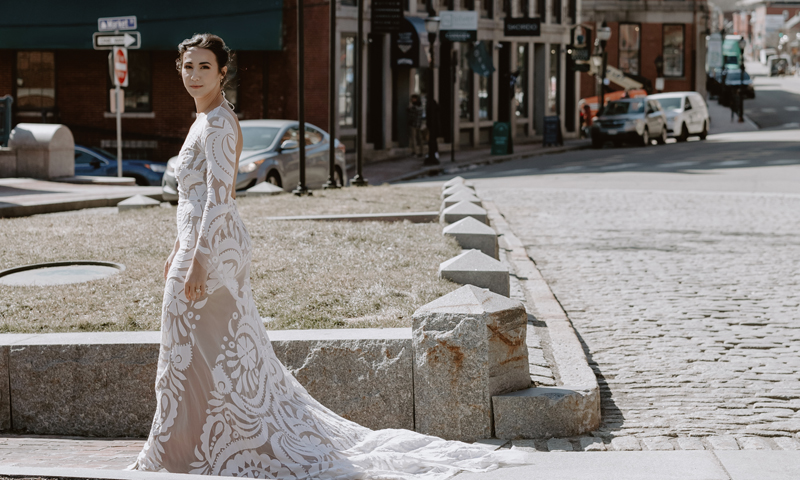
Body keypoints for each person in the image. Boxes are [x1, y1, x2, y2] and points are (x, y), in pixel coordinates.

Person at [128, 33, 526, 477]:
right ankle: (193, 449)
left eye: (205, 67)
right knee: (207, 353)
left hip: (213, 250)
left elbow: (220, 199)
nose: (194, 75)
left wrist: (198, 256)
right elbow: (193, 197)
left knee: (198, 353)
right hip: (201, 245)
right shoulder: (203, 119)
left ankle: (190, 452)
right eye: (188, 67)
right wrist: (177, 246)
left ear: (223, 71)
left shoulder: (219, 122)